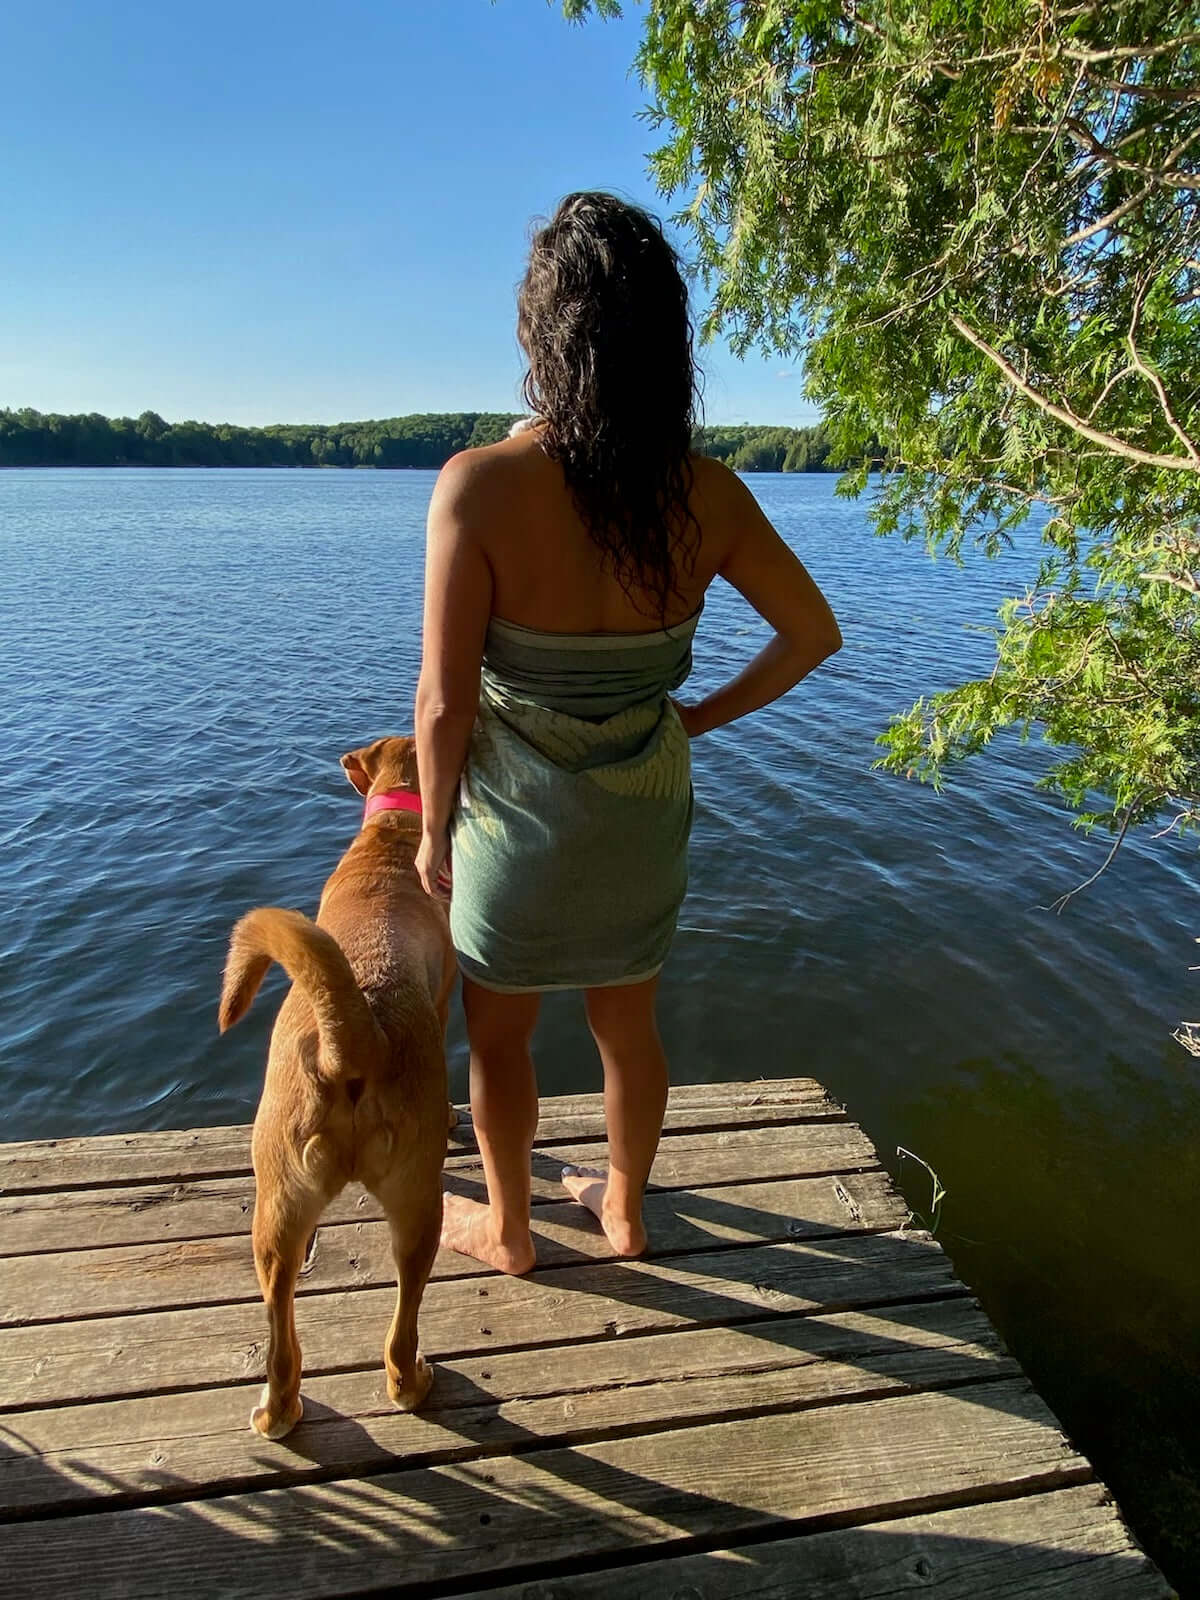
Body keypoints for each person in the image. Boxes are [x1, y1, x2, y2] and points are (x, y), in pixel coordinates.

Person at [414, 191, 842, 1276]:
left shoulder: (479, 486)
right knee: (627, 1026)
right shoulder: (708, 495)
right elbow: (812, 636)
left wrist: (429, 835)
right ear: (665, 342)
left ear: (542, 336)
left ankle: (508, 1227)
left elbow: (442, 704)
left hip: (512, 825)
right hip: (642, 813)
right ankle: (626, 1211)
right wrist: (694, 716)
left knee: (499, 1037)